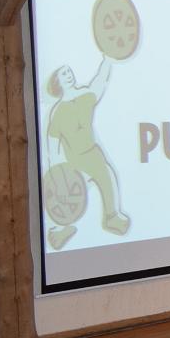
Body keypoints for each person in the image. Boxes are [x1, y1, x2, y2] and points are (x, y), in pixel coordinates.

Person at [44, 56, 129, 248]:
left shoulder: (84, 96)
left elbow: (99, 83)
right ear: (57, 81)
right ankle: (60, 229)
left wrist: (107, 61)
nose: (68, 75)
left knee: (107, 178)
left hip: (94, 154)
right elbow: (52, 143)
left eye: (69, 71)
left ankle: (111, 217)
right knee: (68, 196)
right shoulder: (57, 112)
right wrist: (57, 171)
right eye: (63, 73)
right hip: (75, 160)